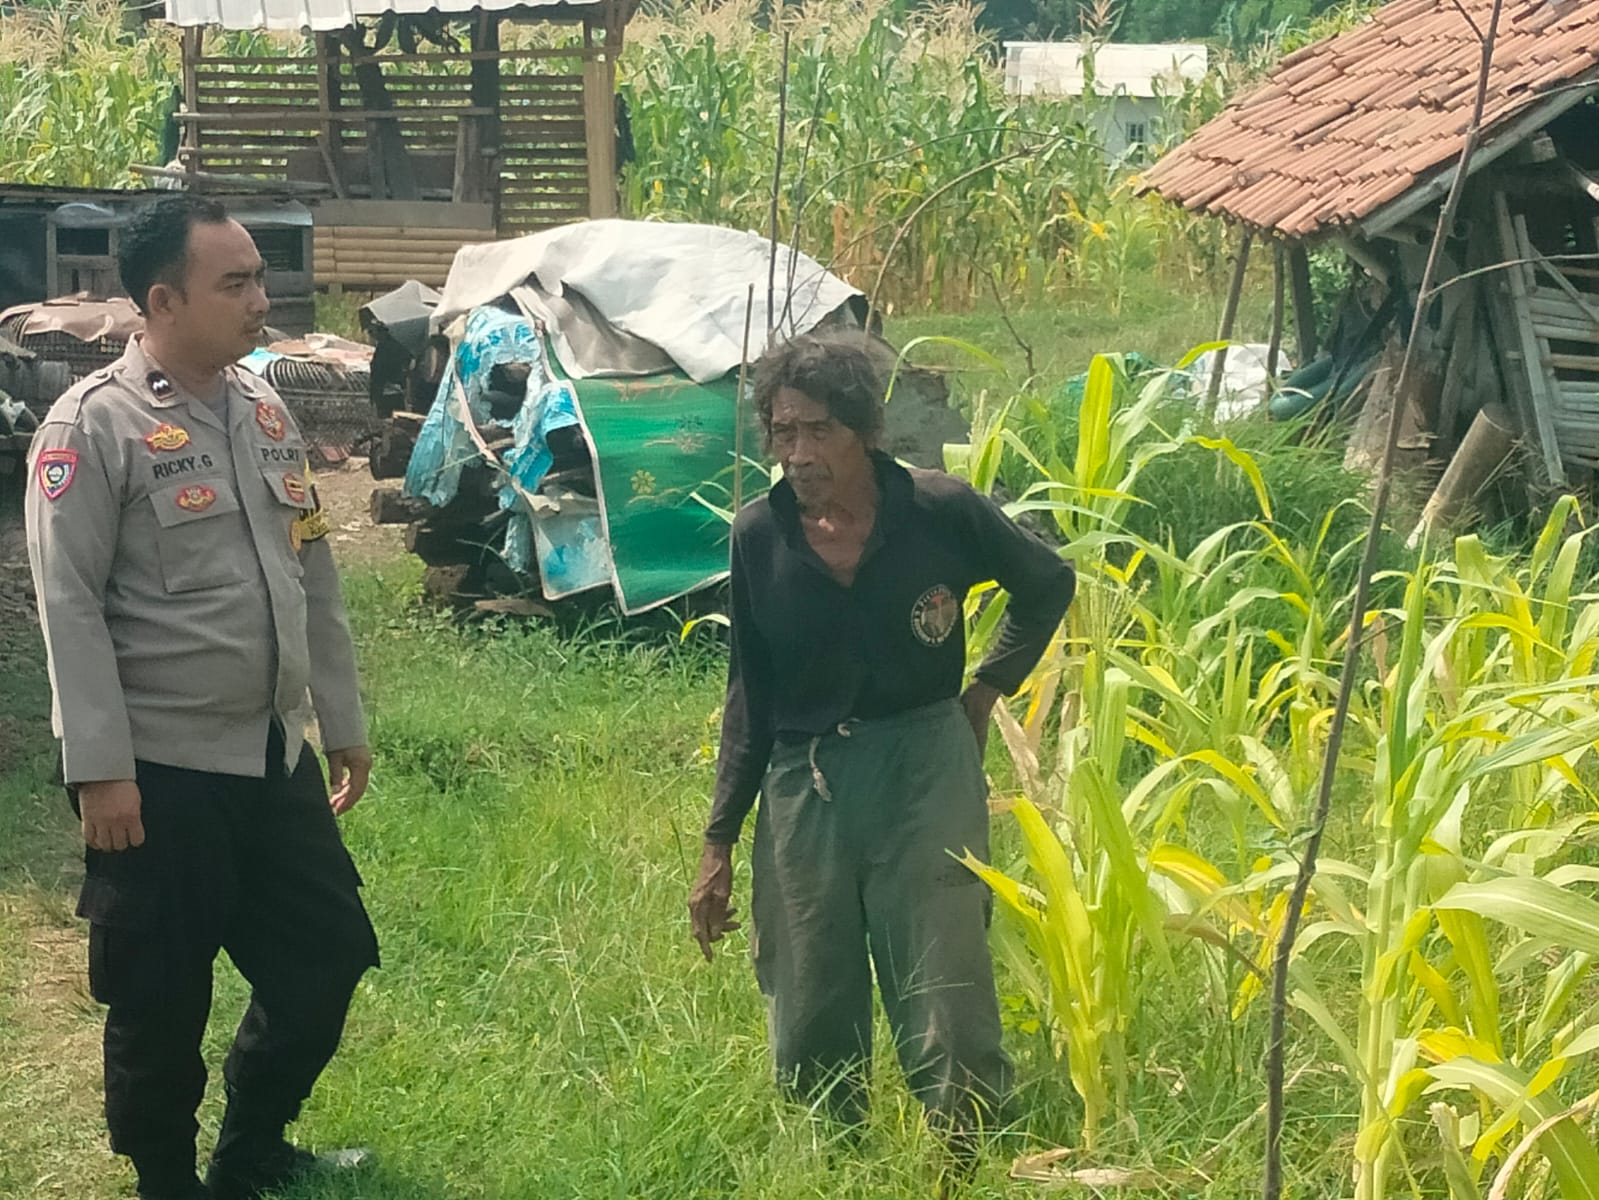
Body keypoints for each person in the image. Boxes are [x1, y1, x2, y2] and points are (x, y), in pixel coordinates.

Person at [24, 194, 379, 1200]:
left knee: (327, 957)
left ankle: (250, 1149)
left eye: (260, 277)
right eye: (237, 283)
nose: (262, 300)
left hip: (269, 752)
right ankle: (165, 1181)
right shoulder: (92, 425)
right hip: (159, 771)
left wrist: (340, 720)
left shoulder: (265, 410)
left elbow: (312, 573)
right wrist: (100, 771)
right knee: (159, 995)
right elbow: (67, 604)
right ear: (163, 301)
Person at [686, 331, 1075, 1141]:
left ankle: (965, 1143)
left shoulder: (939, 511)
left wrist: (985, 691)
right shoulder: (760, 535)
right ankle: (835, 1151)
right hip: (806, 779)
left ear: (865, 430)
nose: (798, 454)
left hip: (924, 764)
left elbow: (1046, 582)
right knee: (808, 979)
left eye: (819, 430)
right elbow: (749, 693)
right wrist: (718, 841)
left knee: (943, 967)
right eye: (782, 433)